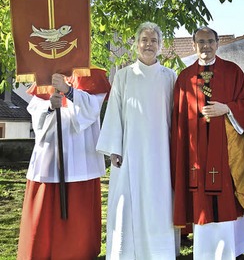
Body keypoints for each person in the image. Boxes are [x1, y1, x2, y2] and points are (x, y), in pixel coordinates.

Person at [171, 26, 244, 259]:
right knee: (201, 200)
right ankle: (205, 251)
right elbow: (178, 118)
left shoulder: (233, 71)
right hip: (196, 152)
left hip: (226, 150)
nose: (206, 46)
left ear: (218, 43)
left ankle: (232, 249)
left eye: (210, 41)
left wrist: (227, 108)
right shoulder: (185, 77)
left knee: (228, 197)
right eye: (201, 42)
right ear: (193, 45)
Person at [97, 22, 179, 259]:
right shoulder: (123, 76)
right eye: (144, 39)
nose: (148, 44)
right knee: (126, 204)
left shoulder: (170, 77)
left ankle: (160, 252)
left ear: (160, 46)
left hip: (161, 153)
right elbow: (114, 112)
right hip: (129, 152)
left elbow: (177, 116)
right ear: (136, 44)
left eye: (154, 40)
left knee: (159, 202)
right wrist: (114, 148)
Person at [17, 69, 110, 260]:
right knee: (45, 207)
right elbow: (35, 109)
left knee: (78, 214)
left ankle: (77, 252)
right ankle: (42, 252)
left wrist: (69, 91)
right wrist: (49, 107)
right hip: (50, 155)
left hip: (81, 153)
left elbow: (93, 108)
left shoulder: (93, 75)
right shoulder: (45, 73)